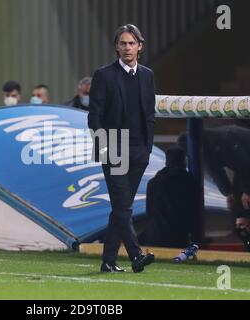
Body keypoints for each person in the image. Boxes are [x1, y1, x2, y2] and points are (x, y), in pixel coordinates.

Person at [88, 24, 156, 273]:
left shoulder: (147, 75)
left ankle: (108, 261)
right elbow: (94, 117)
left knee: (121, 207)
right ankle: (136, 256)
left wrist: (148, 148)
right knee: (123, 207)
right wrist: (105, 148)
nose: (127, 48)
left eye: (131, 43)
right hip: (113, 147)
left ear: (140, 46)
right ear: (116, 47)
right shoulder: (104, 75)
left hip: (139, 150)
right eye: (123, 43)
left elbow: (149, 113)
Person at [179, 125, 250, 214]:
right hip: (243, 160)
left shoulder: (224, 139)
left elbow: (243, 166)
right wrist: (228, 193)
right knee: (236, 200)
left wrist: (248, 191)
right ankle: (241, 227)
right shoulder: (203, 149)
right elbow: (215, 172)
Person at [139, 146, 197, 248]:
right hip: (178, 238)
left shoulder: (154, 182)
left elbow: (149, 212)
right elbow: (192, 212)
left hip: (155, 237)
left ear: (166, 161)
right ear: (184, 161)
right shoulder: (189, 182)